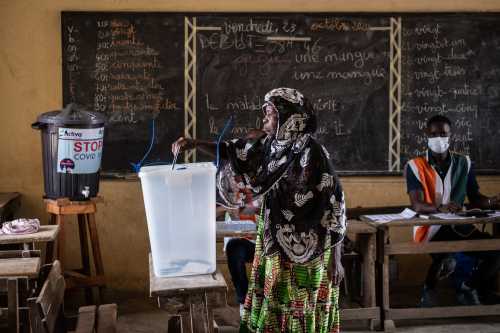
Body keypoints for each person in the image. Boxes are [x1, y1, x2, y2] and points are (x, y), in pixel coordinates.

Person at [173, 87, 346, 332]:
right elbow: (233, 150)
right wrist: (194, 144)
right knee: (274, 300)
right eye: (265, 112)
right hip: (275, 240)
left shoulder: (312, 152)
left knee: (302, 304)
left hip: (311, 248)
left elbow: (335, 203)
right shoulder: (269, 147)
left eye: (270, 113)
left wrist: (337, 260)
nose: (264, 118)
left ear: (289, 116)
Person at [405, 114, 500, 306]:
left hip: (458, 226)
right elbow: (416, 204)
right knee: (446, 257)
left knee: (495, 252)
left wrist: (491, 201)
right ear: (427, 135)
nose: (439, 138)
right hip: (430, 227)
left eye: (443, 133)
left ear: (450, 136)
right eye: (434, 134)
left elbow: (475, 198)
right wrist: (440, 207)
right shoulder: (414, 166)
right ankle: (429, 290)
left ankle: (468, 286)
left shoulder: (464, 163)